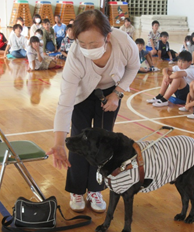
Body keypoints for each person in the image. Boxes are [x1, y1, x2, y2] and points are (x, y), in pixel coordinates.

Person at [47, 10, 140, 213]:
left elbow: (134, 67)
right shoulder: (75, 56)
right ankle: (77, 190)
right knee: (78, 140)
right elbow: (65, 103)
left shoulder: (123, 42)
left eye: (94, 44)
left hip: (110, 93)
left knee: (104, 144)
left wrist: (118, 93)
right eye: (82, 43)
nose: (88, 49)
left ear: (107, 37)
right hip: (81, 94)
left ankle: (96, 189)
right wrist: (58, 143)